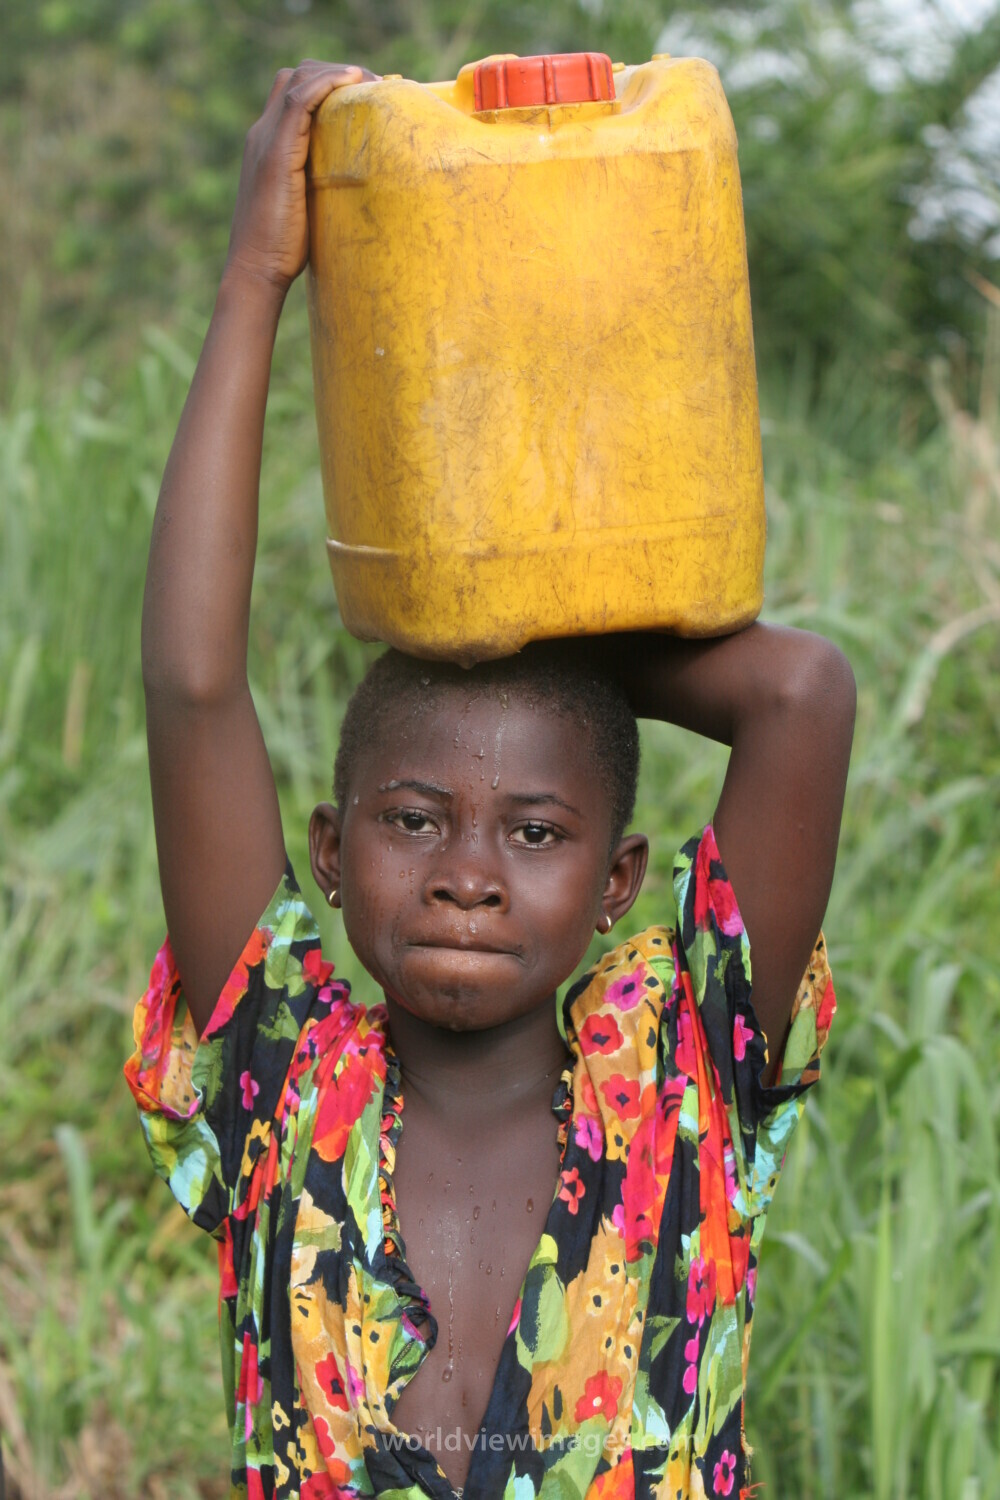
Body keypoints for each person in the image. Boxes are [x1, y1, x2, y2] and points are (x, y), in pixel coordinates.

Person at [126, 62, 856, 1500]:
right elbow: (189, 686)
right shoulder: (281, 1078)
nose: (469, 869)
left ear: (617, 885)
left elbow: (798, 694)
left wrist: (506, 611)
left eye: (537, 829)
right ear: (328, 854)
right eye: (414, 819)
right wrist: (255, 277)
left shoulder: (685, 1070)